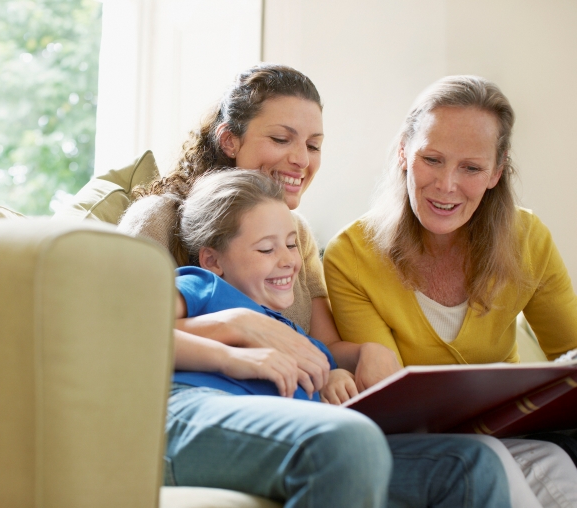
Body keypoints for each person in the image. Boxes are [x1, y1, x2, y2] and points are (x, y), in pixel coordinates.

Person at [166, 168, 510, 507]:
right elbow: (131, 330)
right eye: (267, 250)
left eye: (291, 244)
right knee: (349, 442)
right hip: (193, 406)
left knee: (471, 464)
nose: (288, 260)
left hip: (287, 434)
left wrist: (332, 379)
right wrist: (234, 352)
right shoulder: (205, 287)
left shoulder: (299, 339)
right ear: (213, 260)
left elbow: (329, 385)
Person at [323, 75, 577, 508]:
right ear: (404, 152)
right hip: (425, 446)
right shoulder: (351, 255)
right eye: (432, 159)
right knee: (494, 457)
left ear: (497, 172)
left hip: (510, 431)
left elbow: (570, 350)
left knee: (556, 460)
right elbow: (393, 400)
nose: (445, 185)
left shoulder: (528, 238)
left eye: (471, 168)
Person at [120, 63, 401, 396]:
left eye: (313, 146)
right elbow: (121, 327)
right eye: (282, 139)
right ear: (229, 140)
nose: (301, 159)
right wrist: (240, 327)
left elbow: (322, 346)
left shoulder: (298, 234)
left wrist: (361, 354)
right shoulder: (160, 217)